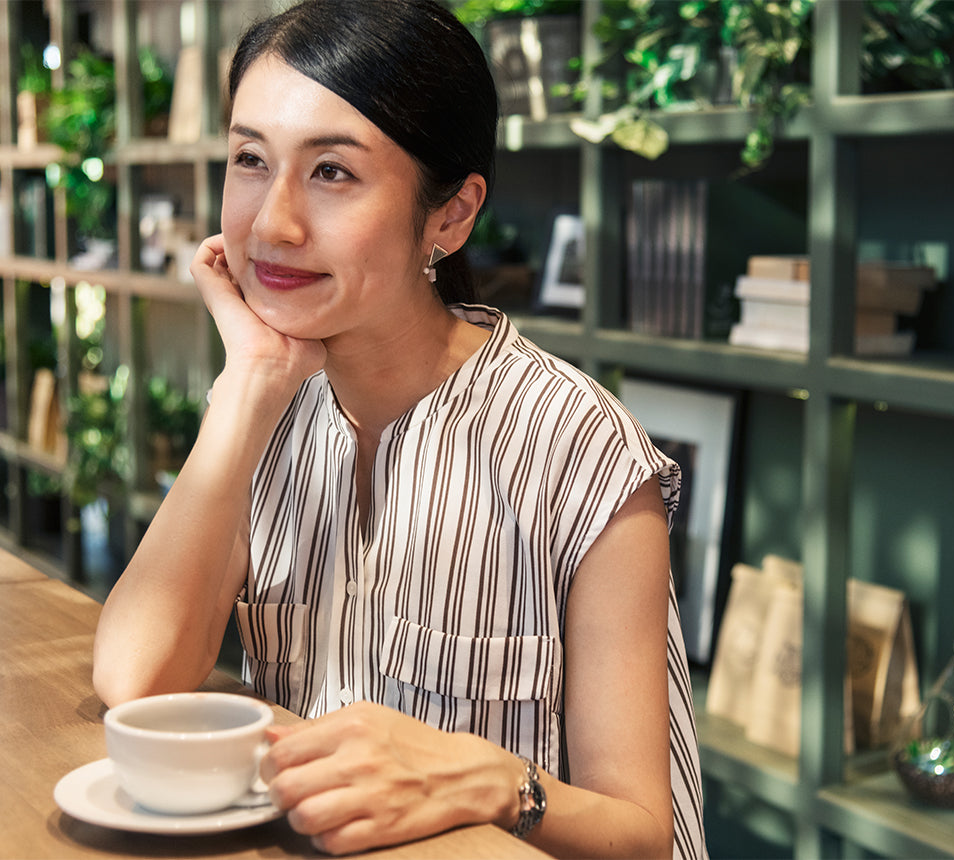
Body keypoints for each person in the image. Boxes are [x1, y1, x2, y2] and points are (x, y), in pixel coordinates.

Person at [93, 1, 707, 857]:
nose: (272, 223)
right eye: (249, 159)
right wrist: (251, 386)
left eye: (333, 172)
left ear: (450, 216)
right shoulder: (266, 410)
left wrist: (491, 780)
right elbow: (134, 680)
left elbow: (645, 835)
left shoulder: (580, 448)